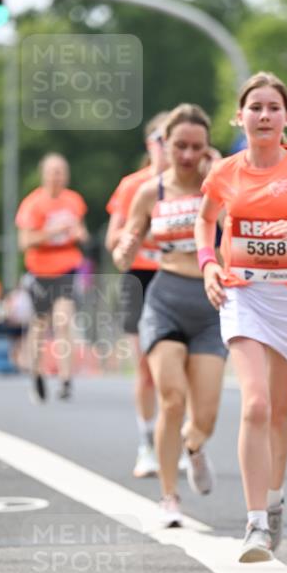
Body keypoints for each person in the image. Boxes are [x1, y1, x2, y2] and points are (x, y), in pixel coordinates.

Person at [195, 71, 287, 562]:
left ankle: (274, 499)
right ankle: (255, 523)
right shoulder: (226, 172)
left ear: (286, 118)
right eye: (254, 107)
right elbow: (205, 219)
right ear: (240, 116)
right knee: (254, 405)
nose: (263, 115)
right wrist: (209, 263)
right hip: (242, 296)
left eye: (273, 107)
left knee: (278, 412)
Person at [113, 104, 226, 529]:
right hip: (164, 300)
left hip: (211, 304)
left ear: (206, 147)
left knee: (206, 415)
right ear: (164, 145)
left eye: (196, 147)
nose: (187, 154)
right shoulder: (150, 191)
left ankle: (194, 448)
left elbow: (237, 225)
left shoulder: (219, 187)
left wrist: (219, 173)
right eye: (179, 145)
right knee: (172, 398)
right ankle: (169, 497)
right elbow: (129, 238)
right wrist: (124, 249)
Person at [106, 113, 169, 478]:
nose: (166, 146)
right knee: (146, 367)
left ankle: (175, 441)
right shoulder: (133, 186)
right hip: (140, 277)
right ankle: (147, 443)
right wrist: (139, 233)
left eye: (171, 138)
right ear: (150, 144)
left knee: (180, 367)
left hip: (179, 275)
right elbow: (112, 239)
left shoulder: (193, 184)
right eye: (160, 138)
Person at [15, 153, 89, 402]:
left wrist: (79, 234)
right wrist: (53, 232)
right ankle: (35, 373)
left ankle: (66, 379)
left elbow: (82, 233)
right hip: (40, 272)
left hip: (67, 269)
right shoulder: (33, 204)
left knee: (63, 321)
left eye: (61, 171)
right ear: (44, 174)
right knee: (40, 324)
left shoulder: (74, 201)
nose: (58, 176)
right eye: (53, 171)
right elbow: (24, 241)